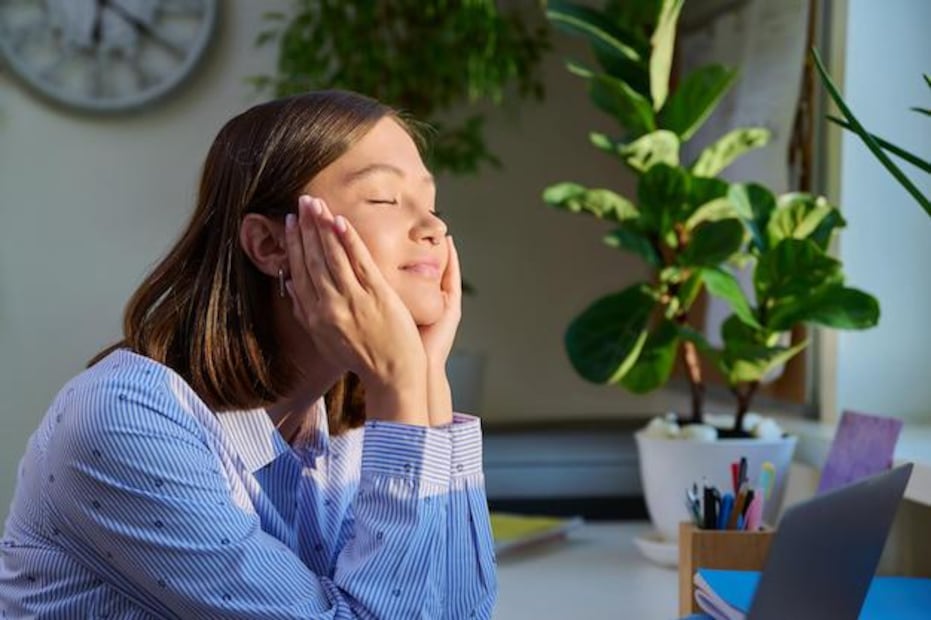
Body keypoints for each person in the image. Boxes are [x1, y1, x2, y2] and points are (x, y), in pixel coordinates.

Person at [0, 90, 497, 619]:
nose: (434, 228)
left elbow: (458, 612)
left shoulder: (343, 423)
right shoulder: (124, 421)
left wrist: (427, 379)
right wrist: (400, 382)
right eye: (383, 199)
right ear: (268, 246)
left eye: (433, 204)